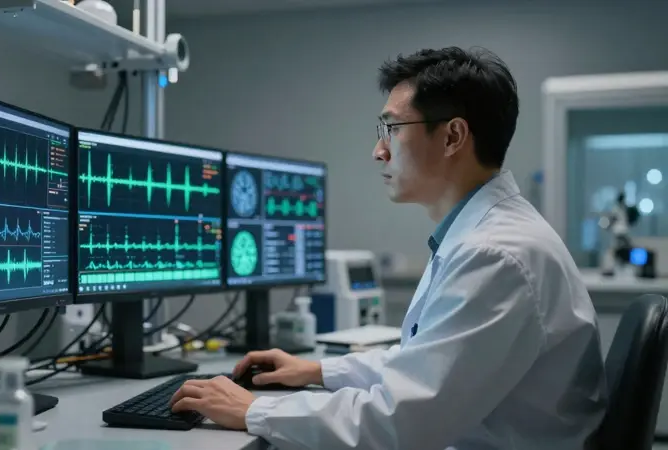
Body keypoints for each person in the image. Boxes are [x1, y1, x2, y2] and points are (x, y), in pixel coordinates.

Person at [170, 46, 608, 450]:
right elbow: (429, 366)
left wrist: (254, 410)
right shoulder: (487, 237)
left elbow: (403, 421)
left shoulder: (496, 255)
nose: (378, 150)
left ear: (453, 136)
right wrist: (319, 371)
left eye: (392, 129)